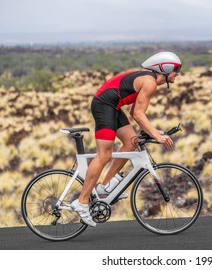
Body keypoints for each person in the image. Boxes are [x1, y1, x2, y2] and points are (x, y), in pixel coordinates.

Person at [71, 51, 182, 226]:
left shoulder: (149, 80)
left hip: (112, 106)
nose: (178, 73)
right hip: (104, 105)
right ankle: (82, 201)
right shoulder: (150, 82)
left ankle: (104, 186)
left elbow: (133, 112)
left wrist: (155, 131)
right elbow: (138, 114)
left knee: (132, 143)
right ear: (164, 68)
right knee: (104, 155)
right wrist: (157, 136)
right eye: (176, 69)